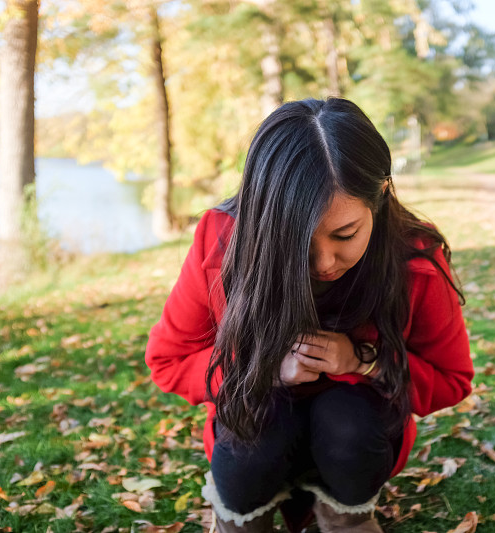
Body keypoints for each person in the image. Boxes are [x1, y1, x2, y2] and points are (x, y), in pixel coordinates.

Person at [145, 97, 474, 533]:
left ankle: (347, 520)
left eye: (345, 234)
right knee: (257, 428)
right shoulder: (222, 239)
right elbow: (167, 362)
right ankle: (239, 520)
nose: (323, 263)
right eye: (297, 241)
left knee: (347, 419)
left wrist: (363, 361)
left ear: (378, 198)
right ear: (265, 216)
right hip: (254, 437)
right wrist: (263, 369)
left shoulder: (415, 258)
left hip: (357, 439)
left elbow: (452, 379)